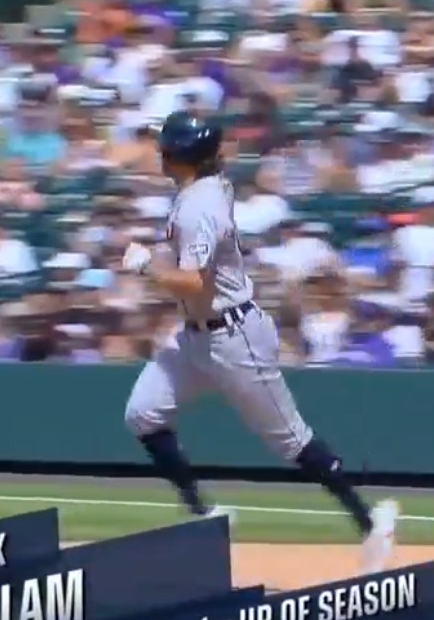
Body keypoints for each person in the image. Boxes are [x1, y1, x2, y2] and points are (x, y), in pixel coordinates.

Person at [119, 111, 399, 573]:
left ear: (182, 156)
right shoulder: (203, 187)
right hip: (196, 338)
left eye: (166, 147)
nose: (159, 152)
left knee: (292, 441)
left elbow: (194, 284)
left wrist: (146, 265)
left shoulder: (199, 207)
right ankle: (205, 515)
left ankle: (370, 520)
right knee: (142, 414)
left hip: (234, 337)